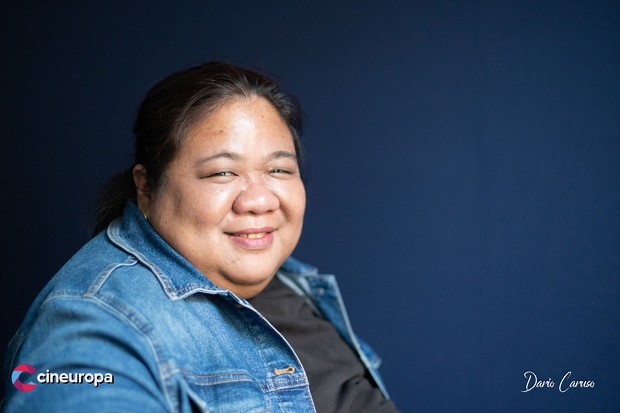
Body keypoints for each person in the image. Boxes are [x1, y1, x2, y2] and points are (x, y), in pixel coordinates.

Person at [2, 62, 399, 412]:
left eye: (278, 170)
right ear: (146, 186)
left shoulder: (288, 281)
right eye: (222, 173)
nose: (260, 201)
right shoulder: (98, 322)